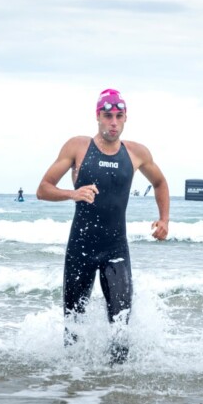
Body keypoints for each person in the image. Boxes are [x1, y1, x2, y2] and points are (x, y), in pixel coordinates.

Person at [37, 88, 169, 363]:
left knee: (121, 326)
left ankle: (114, 393)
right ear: (97, 116)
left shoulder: (136, 153)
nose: (113, 122)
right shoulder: (78, 147)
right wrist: (73, 193)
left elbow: (160, 182)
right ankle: (74, 390)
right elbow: (43, 189)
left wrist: (164, 219)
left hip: (116, 251)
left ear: (125, 118)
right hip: (80, 249)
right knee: (73, 326)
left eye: (119, 116)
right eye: (108, 116)